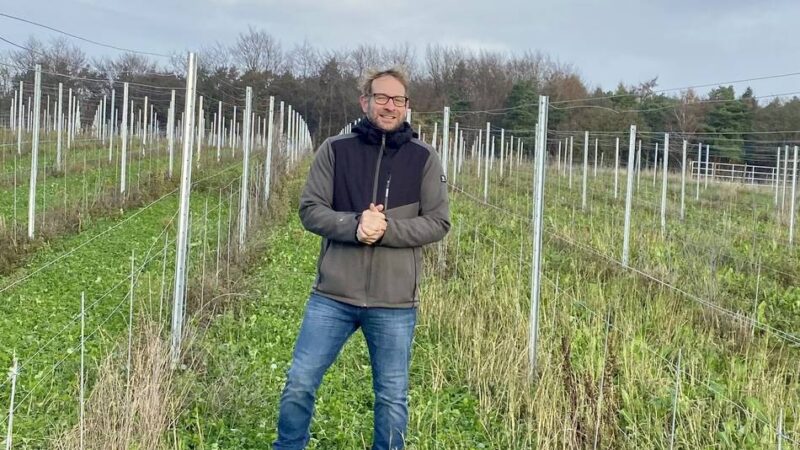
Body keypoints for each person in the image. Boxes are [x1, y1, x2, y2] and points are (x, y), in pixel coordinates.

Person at [273, 67, 450, 450]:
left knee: (391, 398)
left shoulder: (424, 158)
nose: (390, 106)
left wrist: (387, 229)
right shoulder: (335, 150)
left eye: (398, 99)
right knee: (300, 382)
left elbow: (438, 222)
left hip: (394, 301)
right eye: (382, 97)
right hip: (333, 296)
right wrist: (355, 225)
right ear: (365, 101)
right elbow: (310, 210)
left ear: (407, 106)